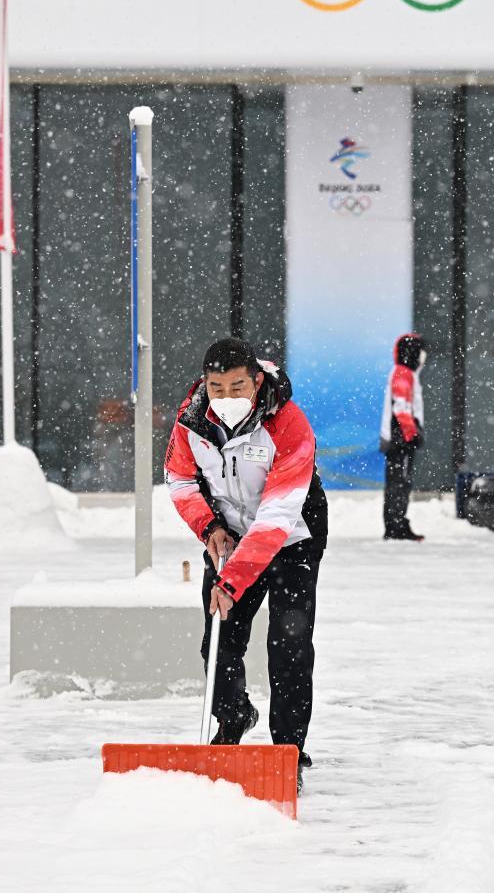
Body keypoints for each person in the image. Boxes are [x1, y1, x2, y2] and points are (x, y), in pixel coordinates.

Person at [164, 337, 327, 792]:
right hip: (231, 539)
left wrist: (231, 581)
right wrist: (210, 528)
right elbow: (179, 481)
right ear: (205, 385)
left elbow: (277, 517)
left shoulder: (288, 423)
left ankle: (287, 749)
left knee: (288, 645)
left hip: (292, 539)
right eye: (217, 388)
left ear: (256, 381)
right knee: (219, 642)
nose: (228, 397)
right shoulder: (191, 422)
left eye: (238, 387)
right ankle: (233, 718)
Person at [380, 333, 427, 541]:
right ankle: (396, 525)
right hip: (401, 439)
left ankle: (395, 524)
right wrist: (412, 434)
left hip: (397, 438)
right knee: (400, 482)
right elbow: (402, 407)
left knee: (397, 482)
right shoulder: (403, 373)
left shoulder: (403, 372)